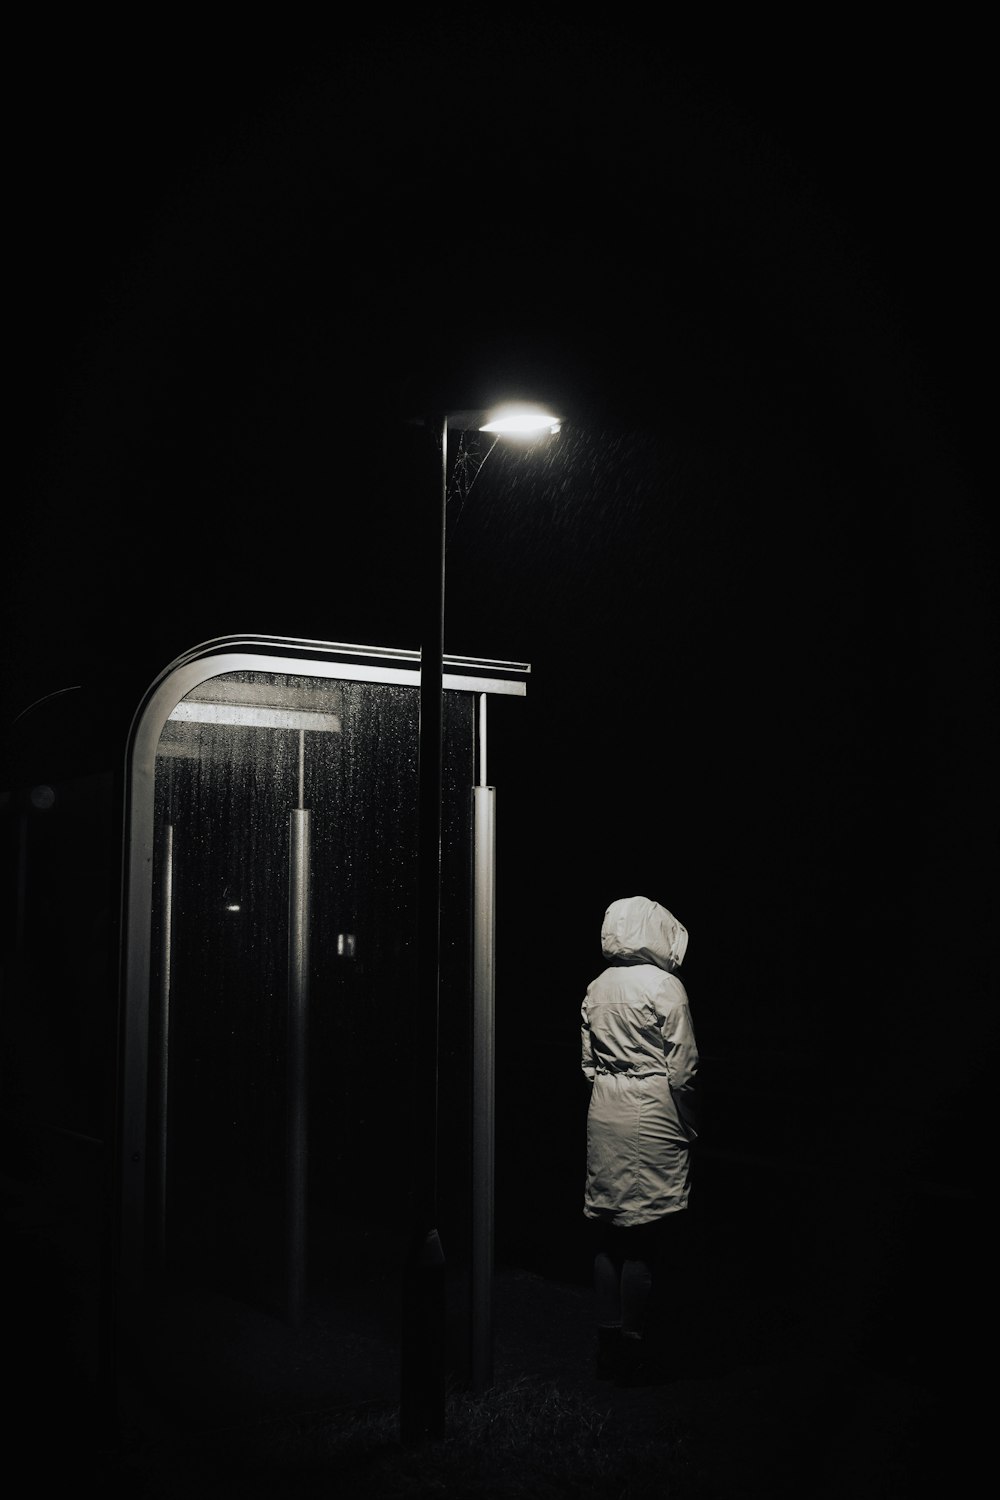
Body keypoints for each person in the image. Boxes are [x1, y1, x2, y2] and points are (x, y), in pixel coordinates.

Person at [581, 895, 698, 1384]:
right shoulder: (666, 986)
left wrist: (610, 1086)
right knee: (644, 1237)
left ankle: (607, 1339)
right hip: (651, 1112)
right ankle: (633, 1343)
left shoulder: (596, 986)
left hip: (604, 1108)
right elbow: (684, 1068)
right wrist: (687, 1124)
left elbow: (587, 1064)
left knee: (607, 1232)